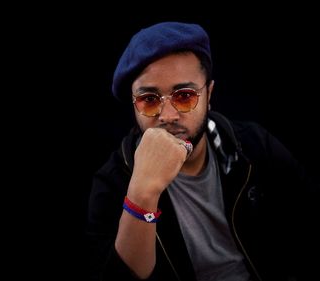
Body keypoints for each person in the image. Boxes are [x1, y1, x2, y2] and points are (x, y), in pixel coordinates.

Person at [86, 22, 318, 281]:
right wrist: (142, 192)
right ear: (134, 104)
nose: (168, 116)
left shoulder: (253, 147)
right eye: (149, 100)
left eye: (184, 96)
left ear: (209, 93)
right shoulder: (113, 181)